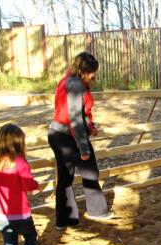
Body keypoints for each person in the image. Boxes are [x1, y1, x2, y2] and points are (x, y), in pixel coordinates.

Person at [48, 51, 113, 230]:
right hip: (68, 137)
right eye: (92, 72)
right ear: (84, 71)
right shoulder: (76, 86)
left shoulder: (66, 80)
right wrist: (84, 148)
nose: (94, 76)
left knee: (65, 178)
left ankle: (64, 219)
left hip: (56, 133)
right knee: (90, 172)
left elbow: (74, 113)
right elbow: (75, 120)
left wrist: (89, 126)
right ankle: (97, 211)